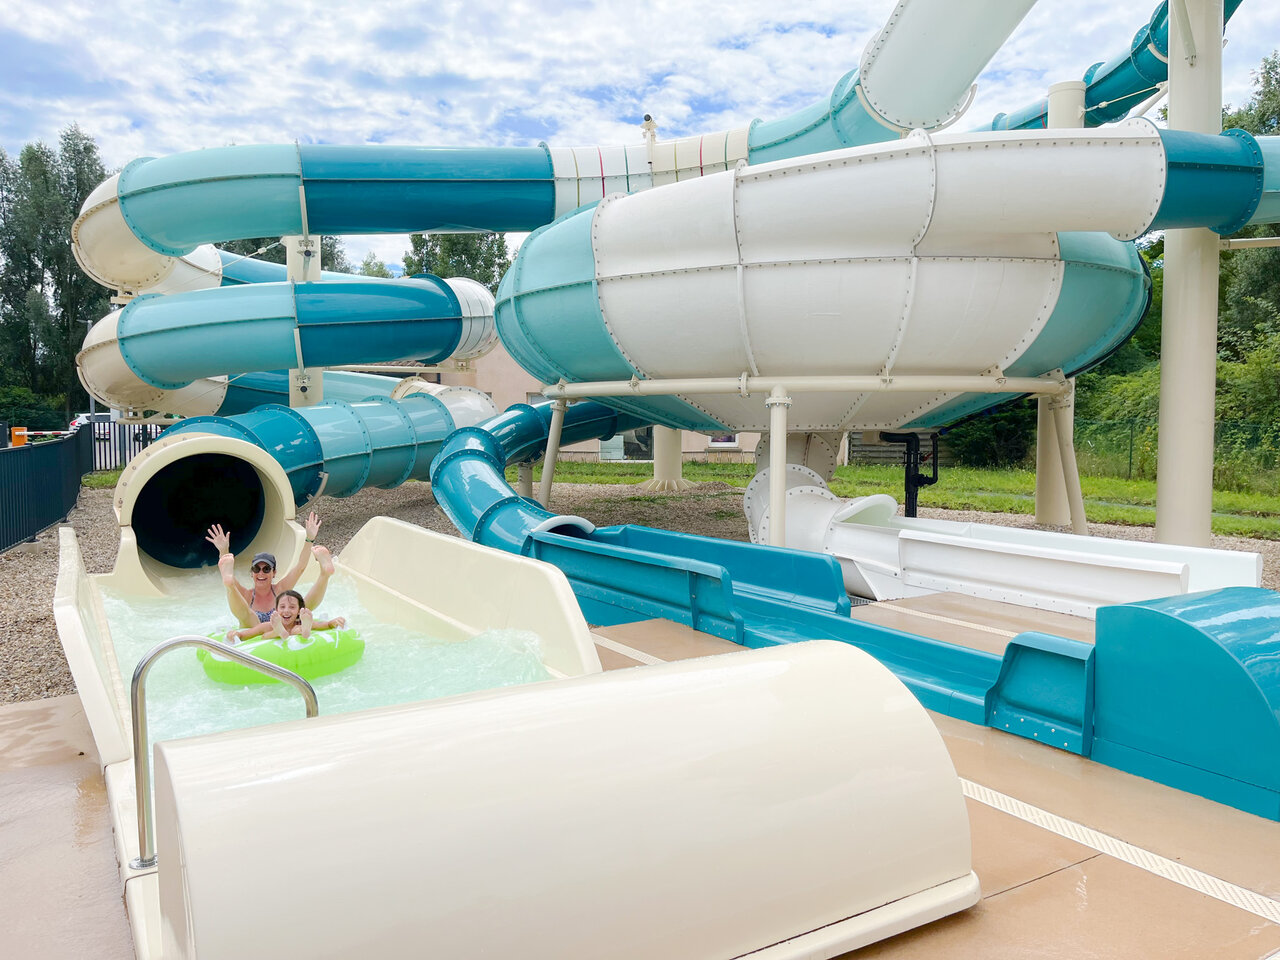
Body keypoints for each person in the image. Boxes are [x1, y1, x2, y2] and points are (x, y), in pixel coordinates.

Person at [204, 511, 335, 629]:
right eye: (256, 569)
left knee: (301, 608)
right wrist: (223, 551)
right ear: (252, 573)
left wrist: (309, 539)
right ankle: (230, 587)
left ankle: (325, 574)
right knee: (243, 608)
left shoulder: (280, 590)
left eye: (266, 569)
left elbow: (300, 567)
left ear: (274, 573)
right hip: (253, 633)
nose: (261, 573)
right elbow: (228, 575)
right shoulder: (247, 595)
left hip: (281, 630)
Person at [224, 590, 347, 644]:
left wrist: (333, 622)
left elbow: (325, 625)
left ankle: (305, 631)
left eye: (292, 607)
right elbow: (245, 635)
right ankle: (278, 632)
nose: (286, 610)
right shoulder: (267, 625)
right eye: (282, 607)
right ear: (276, 610)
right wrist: (235, 635)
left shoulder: (299, 623)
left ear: (299, 611)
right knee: (266, 634)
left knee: (296, 630)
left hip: (299, 629)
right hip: (272, 632)